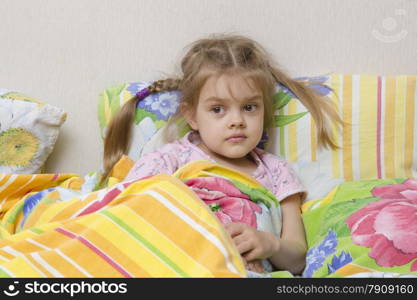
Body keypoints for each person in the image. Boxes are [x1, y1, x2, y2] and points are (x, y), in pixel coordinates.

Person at [102, 34, 342, 275]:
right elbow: (129, 215)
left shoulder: (278, 172)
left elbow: (297, 259)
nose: (236, 121)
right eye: (218, 109)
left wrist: (271, 244)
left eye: (249, 107)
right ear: (192, 116)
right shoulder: (168, 160)